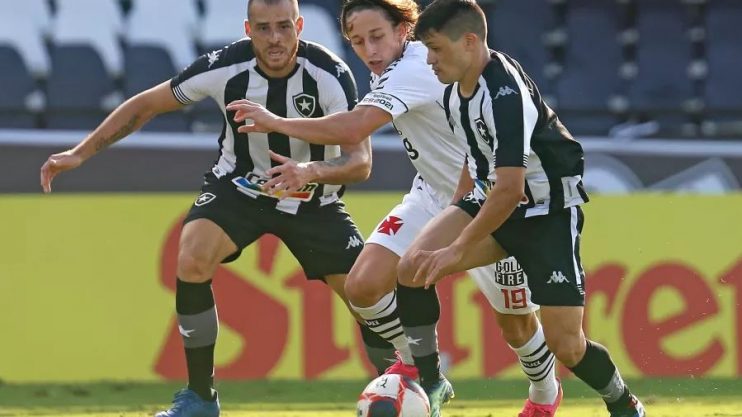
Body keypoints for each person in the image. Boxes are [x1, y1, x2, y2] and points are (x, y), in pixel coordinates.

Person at [38, 0, 399, 416]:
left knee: (364, 295)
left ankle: (402, 387)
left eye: (284, 26)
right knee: (192, 256)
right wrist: (80, 153)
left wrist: (310, 171)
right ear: (249, 29)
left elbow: (360, 162)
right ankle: (199, 400)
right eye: (264, 29)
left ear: (299, 25)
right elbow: (146, 104)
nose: (276, 38)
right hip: (241, 189)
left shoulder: (330, 74)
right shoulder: (225, 66)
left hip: (312, 198)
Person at [226, 1, 562, 416]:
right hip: (430, 194)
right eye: (358, 41)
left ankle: (545, 396)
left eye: (377, 37)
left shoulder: (416, 67)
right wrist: (310, 168)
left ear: (405, 30)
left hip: (483, 199)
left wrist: (275, 121)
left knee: (516, 324)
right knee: (363, 286)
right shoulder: (389, 69)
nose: (369, 49)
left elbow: (354, 127)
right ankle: (423, 369)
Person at [397, 1, 647, 416]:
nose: (430, 59)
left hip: (547, 213)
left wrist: (457, 249)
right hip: (492, 198)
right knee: (412, 268)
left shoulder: (504, 94)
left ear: (470, 41)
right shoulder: (454, 90)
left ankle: (623, 403)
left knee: (566, 345)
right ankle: (431, 385)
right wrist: (457, 210)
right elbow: (474, 159)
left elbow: (511, 189)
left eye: (437, 49)